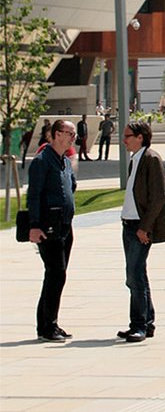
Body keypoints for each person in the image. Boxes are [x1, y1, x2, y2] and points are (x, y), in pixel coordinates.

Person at [116, 121, 165, 343]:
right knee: (137, 275)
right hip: (129, 224)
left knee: (134, 276)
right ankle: (146, 323)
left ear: (140, 137)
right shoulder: (135, 160)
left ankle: (138, 325)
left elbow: (159, 197)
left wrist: (144, 227)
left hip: (139, 227)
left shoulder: (151, 159)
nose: (124, 140)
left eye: (128, 136)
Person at [27, 120, 78, 343]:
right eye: (70, 134)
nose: (73, 138)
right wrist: (34, 225)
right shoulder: (41, 161)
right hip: (48, 226)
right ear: (56, 134)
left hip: (65, 225)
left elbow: (71, 186)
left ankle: (48, 323)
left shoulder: (64, 161)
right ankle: (48, 326)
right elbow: (34, 195)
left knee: (57, 274)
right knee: (56, 273)